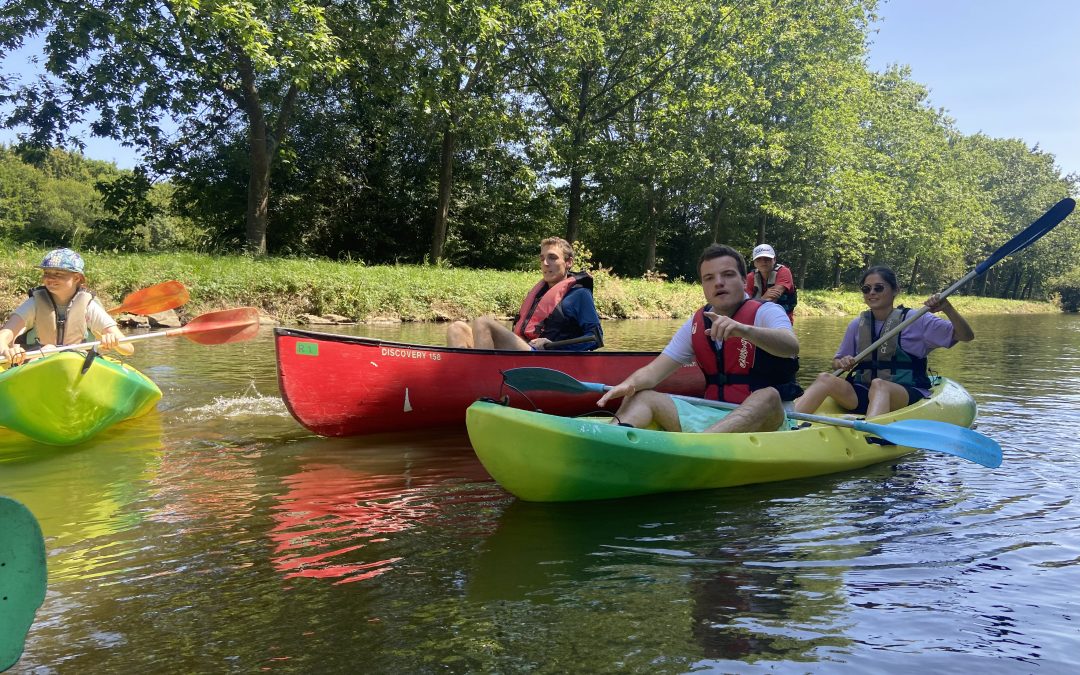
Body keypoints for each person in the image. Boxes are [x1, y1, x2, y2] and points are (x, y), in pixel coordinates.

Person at [596, 244, 802, 433]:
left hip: (772, 421)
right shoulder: (697, 323)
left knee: (768, 395)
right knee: (640, 394)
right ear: (703, 285)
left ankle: (699, 448)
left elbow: (790, 346)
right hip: (713, 416)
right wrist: (628, 384)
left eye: (728, 275)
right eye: (709, 278)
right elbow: (653, 372)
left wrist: (744, 331)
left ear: (743, 280)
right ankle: (609, 439)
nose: (718, 283)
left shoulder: (768, 312)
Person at [793, 265, 974, 418]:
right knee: (825, 378)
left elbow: (966, 336)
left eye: (878, 288)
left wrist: (947, 308)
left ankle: (871, 435)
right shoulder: (858, 324)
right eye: (866, 289)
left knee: (880, 385)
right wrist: (841, 362)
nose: (871, 293)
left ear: (895, 290)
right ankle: (786, 423)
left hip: (906, 392)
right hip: (862, 392)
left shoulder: (917, 319)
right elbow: (836, 362)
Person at [446, 237, 603, 351]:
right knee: (457, 328)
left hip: (544, 358)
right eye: (542, 259)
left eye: (552, 258)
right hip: (523, 351)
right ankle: (461, 378)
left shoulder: (580, 294)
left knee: (483, 322)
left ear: (568, 262)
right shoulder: (539, 293)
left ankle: (483, 380)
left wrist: (551, 346)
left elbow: (595, 338)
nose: (545, 263)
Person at [0, 248, 134, 366]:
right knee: (48, 349)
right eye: (47, 273)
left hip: (78, 363)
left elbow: (128, 349)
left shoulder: (89, 306)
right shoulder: (34, 303)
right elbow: (4, 336)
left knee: (75, 353)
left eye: (58, 274)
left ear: (77, 278)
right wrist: (7, 350)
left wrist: (113, 341)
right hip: (38, 362)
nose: (50, 279)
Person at [745, 243, 797, 323]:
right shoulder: (750, 277)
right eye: (759, 259)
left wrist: (756, 302)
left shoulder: (784, 272)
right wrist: (763, 297)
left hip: (781, 319)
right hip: (757, 319)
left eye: (767, 258)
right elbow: (745, 305)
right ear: (754, 263)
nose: (763, 262)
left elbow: (773, 298)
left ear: (774, 260)